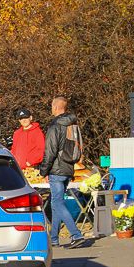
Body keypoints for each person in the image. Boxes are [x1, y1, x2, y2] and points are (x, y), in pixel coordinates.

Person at [40, 95, 86, 248]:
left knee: (58, 203)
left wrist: (43, 171)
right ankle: (54, 238)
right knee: (55, 203)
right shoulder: (72, 125)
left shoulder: (56, 126)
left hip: (56, 169)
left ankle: (76, 235)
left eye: (52, 106)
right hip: (68, 168)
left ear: (56, 107)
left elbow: (50, 151)